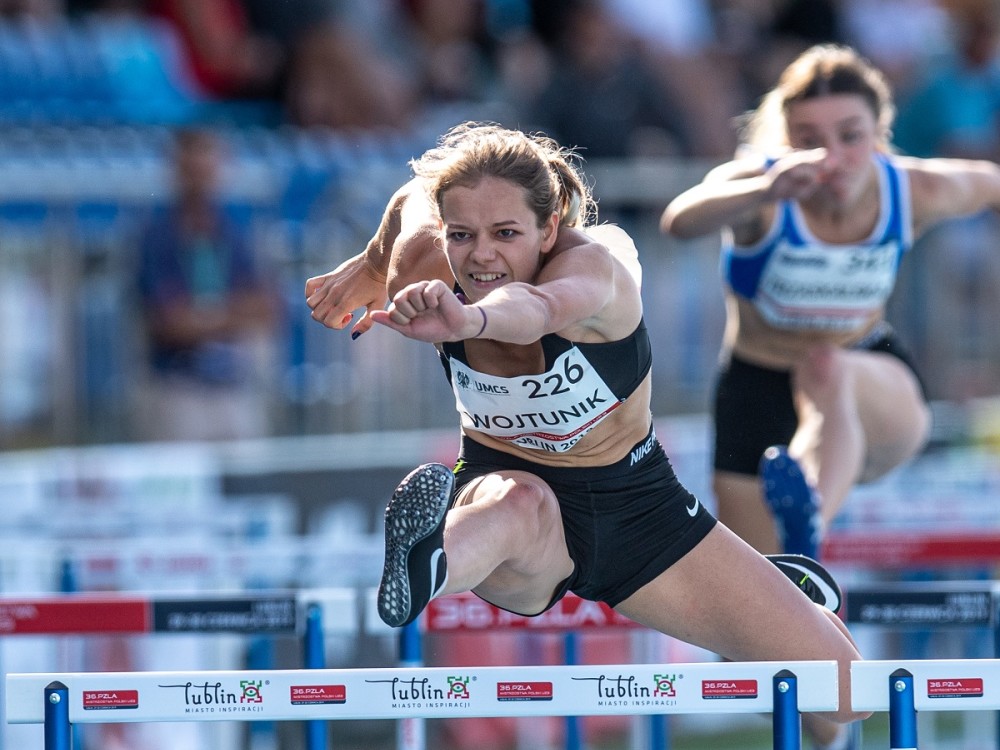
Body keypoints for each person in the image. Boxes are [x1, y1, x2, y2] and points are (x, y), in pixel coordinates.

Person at [306, 122, 868, 750]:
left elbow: (537, 312)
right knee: (516, 505)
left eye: (506, 235)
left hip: (640, 515)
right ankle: (428, 564)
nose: (481, 255)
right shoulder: (425, 256)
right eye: (462, 235)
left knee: (845, 696)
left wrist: (470, 318)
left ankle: (775, 597)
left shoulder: (595, 272)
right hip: (513, 495)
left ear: (548, 230)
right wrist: (374, 261)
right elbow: (415, 194)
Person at [660, 43, 1000, 562]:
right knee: (755, 604)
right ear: (787, 140)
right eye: (810, 140)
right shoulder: (763, 186)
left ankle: (809, 515)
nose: (833, 159)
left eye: (850, 137)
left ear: (880, 132)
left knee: (826, 365)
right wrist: (763, 190)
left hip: (868, 390)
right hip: (759, 391)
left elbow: (990, 184)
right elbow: (681, 220)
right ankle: (798, 542)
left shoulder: (912, 189)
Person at [135, 127, 279, 441]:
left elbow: (266, 309)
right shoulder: (156, 237)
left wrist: (203, 316)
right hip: (179, 389)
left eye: (208, 164)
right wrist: (233, 315)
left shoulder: (236, 233)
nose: (202, 175)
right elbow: (170, 322)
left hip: (235, 385)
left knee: (248, 484)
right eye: (192, 167)